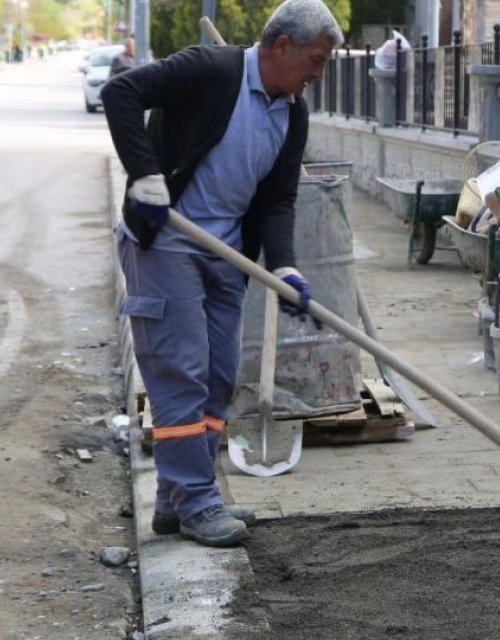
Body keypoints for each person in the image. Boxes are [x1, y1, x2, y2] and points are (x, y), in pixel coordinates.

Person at [101, 0, 341, 547]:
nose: (319, 74)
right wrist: (145, 177)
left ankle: (180, 496)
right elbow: (122, 93)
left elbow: (278, 201)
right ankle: (200, 501)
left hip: (226, 253)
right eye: (316, 59)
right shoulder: (212, 70)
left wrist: (284, 266)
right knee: (181, 372)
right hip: (167, 244)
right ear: (282, 47)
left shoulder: (292, 111)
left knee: (218, 376)